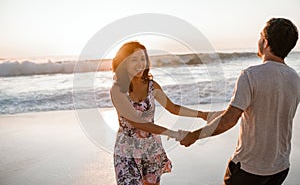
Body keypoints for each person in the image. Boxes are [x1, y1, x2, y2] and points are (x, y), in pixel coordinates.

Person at [180, 18, 300, 185]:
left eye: (260, 37)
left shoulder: (250, 75)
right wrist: (209, 116)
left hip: (249, 168)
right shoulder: (295, 77)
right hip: (280, 167)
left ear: (265, 42)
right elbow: (266, 108)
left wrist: (194, 135)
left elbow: (230, 120)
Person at [110, 41, 208, 185]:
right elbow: (138, 123)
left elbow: (173, 107)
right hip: (127, 151)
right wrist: (174, 133)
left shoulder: (151, 86)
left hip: (151, 148)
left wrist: (203, 114)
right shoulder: (117, 89)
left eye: (143, 59)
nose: (140, 64)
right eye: (134, 60)